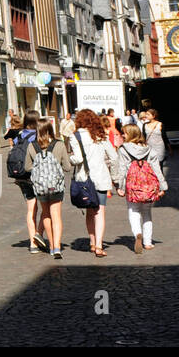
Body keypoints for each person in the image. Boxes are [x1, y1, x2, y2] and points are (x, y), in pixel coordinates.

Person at [66, 109, 118, 258]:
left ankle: (92, 242)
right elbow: (114, 157)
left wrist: (70, 159)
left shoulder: (75, 136)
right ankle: (100, 245)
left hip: (84, 179)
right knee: (99, 212)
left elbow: (78, 159)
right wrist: (115, 178)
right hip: (101, 178)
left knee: (89, 211)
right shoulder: (101, 135)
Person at [113, 122, 167, 254]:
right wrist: (162, 186)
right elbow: (156, 169)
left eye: (124, 133)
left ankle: (137, 233)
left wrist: (120, 187)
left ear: (130, 134)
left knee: (133, 211)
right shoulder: (148, 149)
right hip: (148, 186)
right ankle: (147, 242)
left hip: (132, 187)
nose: (122, 135)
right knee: (147, 213)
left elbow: (122, 169)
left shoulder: (123, 149)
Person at [27, 115, 75, 259]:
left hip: (41, 187)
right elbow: (67, 167)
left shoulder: (32, 146)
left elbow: (27, 167)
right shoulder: (59, 145)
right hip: (56, 186)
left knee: (46, 214)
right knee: (56, 216)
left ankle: (51, 243)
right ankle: (57, 247)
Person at [6, 112, 45, 254]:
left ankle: (33, 243)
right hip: (35, 175)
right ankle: (38, 234)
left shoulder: (19, 135)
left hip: (21, 176)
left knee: (31, 210)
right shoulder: (38, 135)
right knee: (46, 209)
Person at [140, 109, 168, 179]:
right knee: (150, 166)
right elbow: (143, 137)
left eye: (148, 114)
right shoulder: (144, 125)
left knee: (159, 165)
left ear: (154, 116)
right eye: (146, 114)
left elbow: (164, 137)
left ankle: (161, 182)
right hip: (149, 148)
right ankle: (153, 181)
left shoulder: (160, 124)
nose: (146, 116)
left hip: (159, 147)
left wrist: (169, 148)